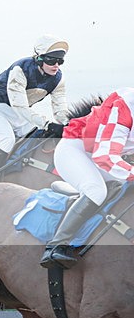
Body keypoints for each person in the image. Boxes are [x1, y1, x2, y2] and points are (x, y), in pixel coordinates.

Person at [40, 88, 134, 269]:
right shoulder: (124, 108)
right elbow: (104, 156)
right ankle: (56, 245)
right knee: (96, 191)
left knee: (120, 185)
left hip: (98, 153)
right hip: (74, 150)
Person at [0, 35, 69, 185]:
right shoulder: (20, 69)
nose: (56, 65)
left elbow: (60, 109)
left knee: (41, 138)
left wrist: (68, 124)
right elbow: (20, 106)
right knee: (6, 141)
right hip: (0, 112)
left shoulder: (58, 78)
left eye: (60, 61)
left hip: (23, 118)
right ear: (39, 59)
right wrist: (47, 124)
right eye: (51, 60)